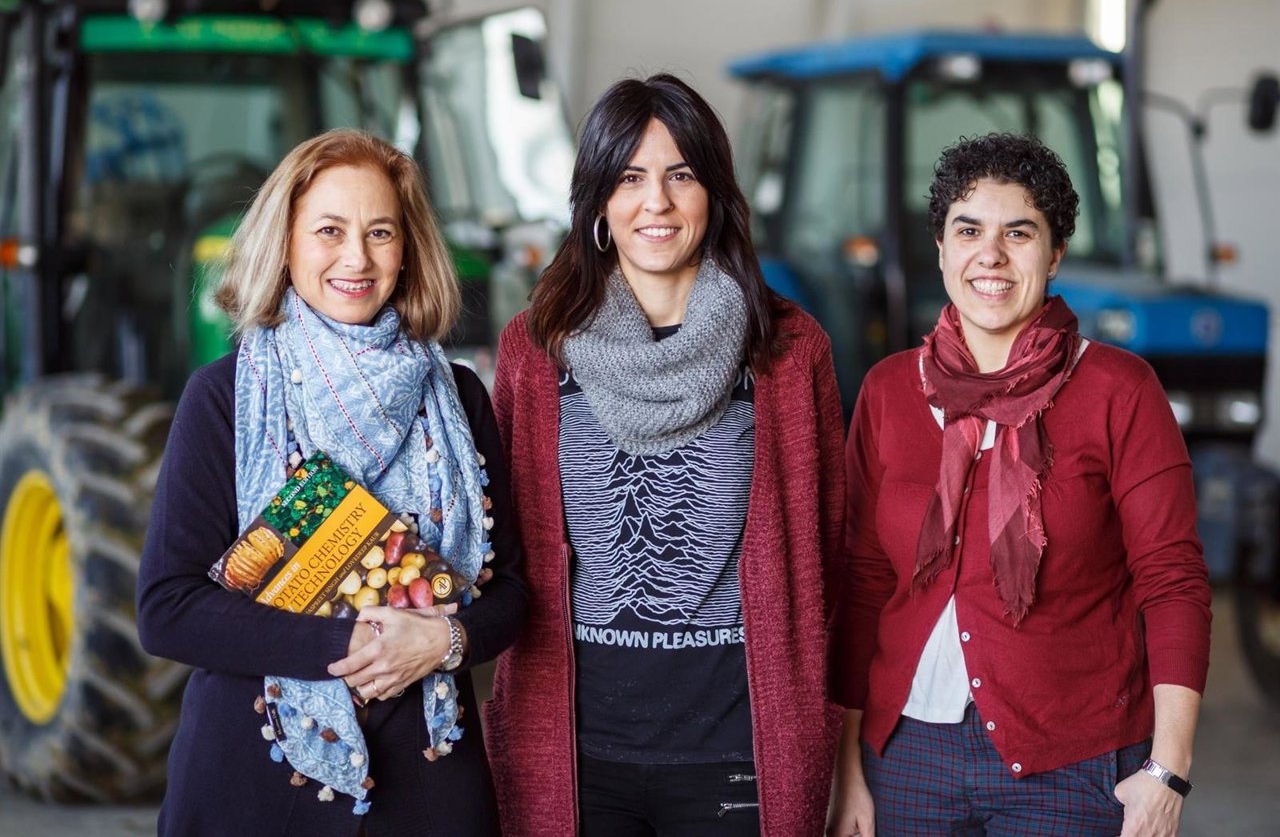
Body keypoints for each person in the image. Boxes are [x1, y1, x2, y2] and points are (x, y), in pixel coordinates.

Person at [482, 73, 845, 836]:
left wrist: (842, 741)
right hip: (577, 753)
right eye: (630, 177)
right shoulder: (535, 350)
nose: (658, 202)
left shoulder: (786, 349)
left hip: (738, 749)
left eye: (681, 175)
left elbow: (831, 556)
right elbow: (504, 545)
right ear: (599, 205)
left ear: (713, 193)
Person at [136, 128, 527, 836]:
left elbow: (514, 594)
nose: (357, 257)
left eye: (381, 232)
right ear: (285, 243)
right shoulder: (224, 397)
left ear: (407, 249)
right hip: (252, 788)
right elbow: (167, 608)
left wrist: (445, 644)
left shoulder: (462, 398)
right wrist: (353, 646)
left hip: (429, 784)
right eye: (329, 230)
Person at [827, 133, 1212, 836]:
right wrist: (847, 767)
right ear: (941, 249)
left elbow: (1174, 581)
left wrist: (1167, 770)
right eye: (968, 230)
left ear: (1055, 252)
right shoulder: (888, 391)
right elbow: (862, 584)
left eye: (1020, 232)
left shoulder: (1120, 390)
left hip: (1072, 764)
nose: (991, 255)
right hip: (906, 758)